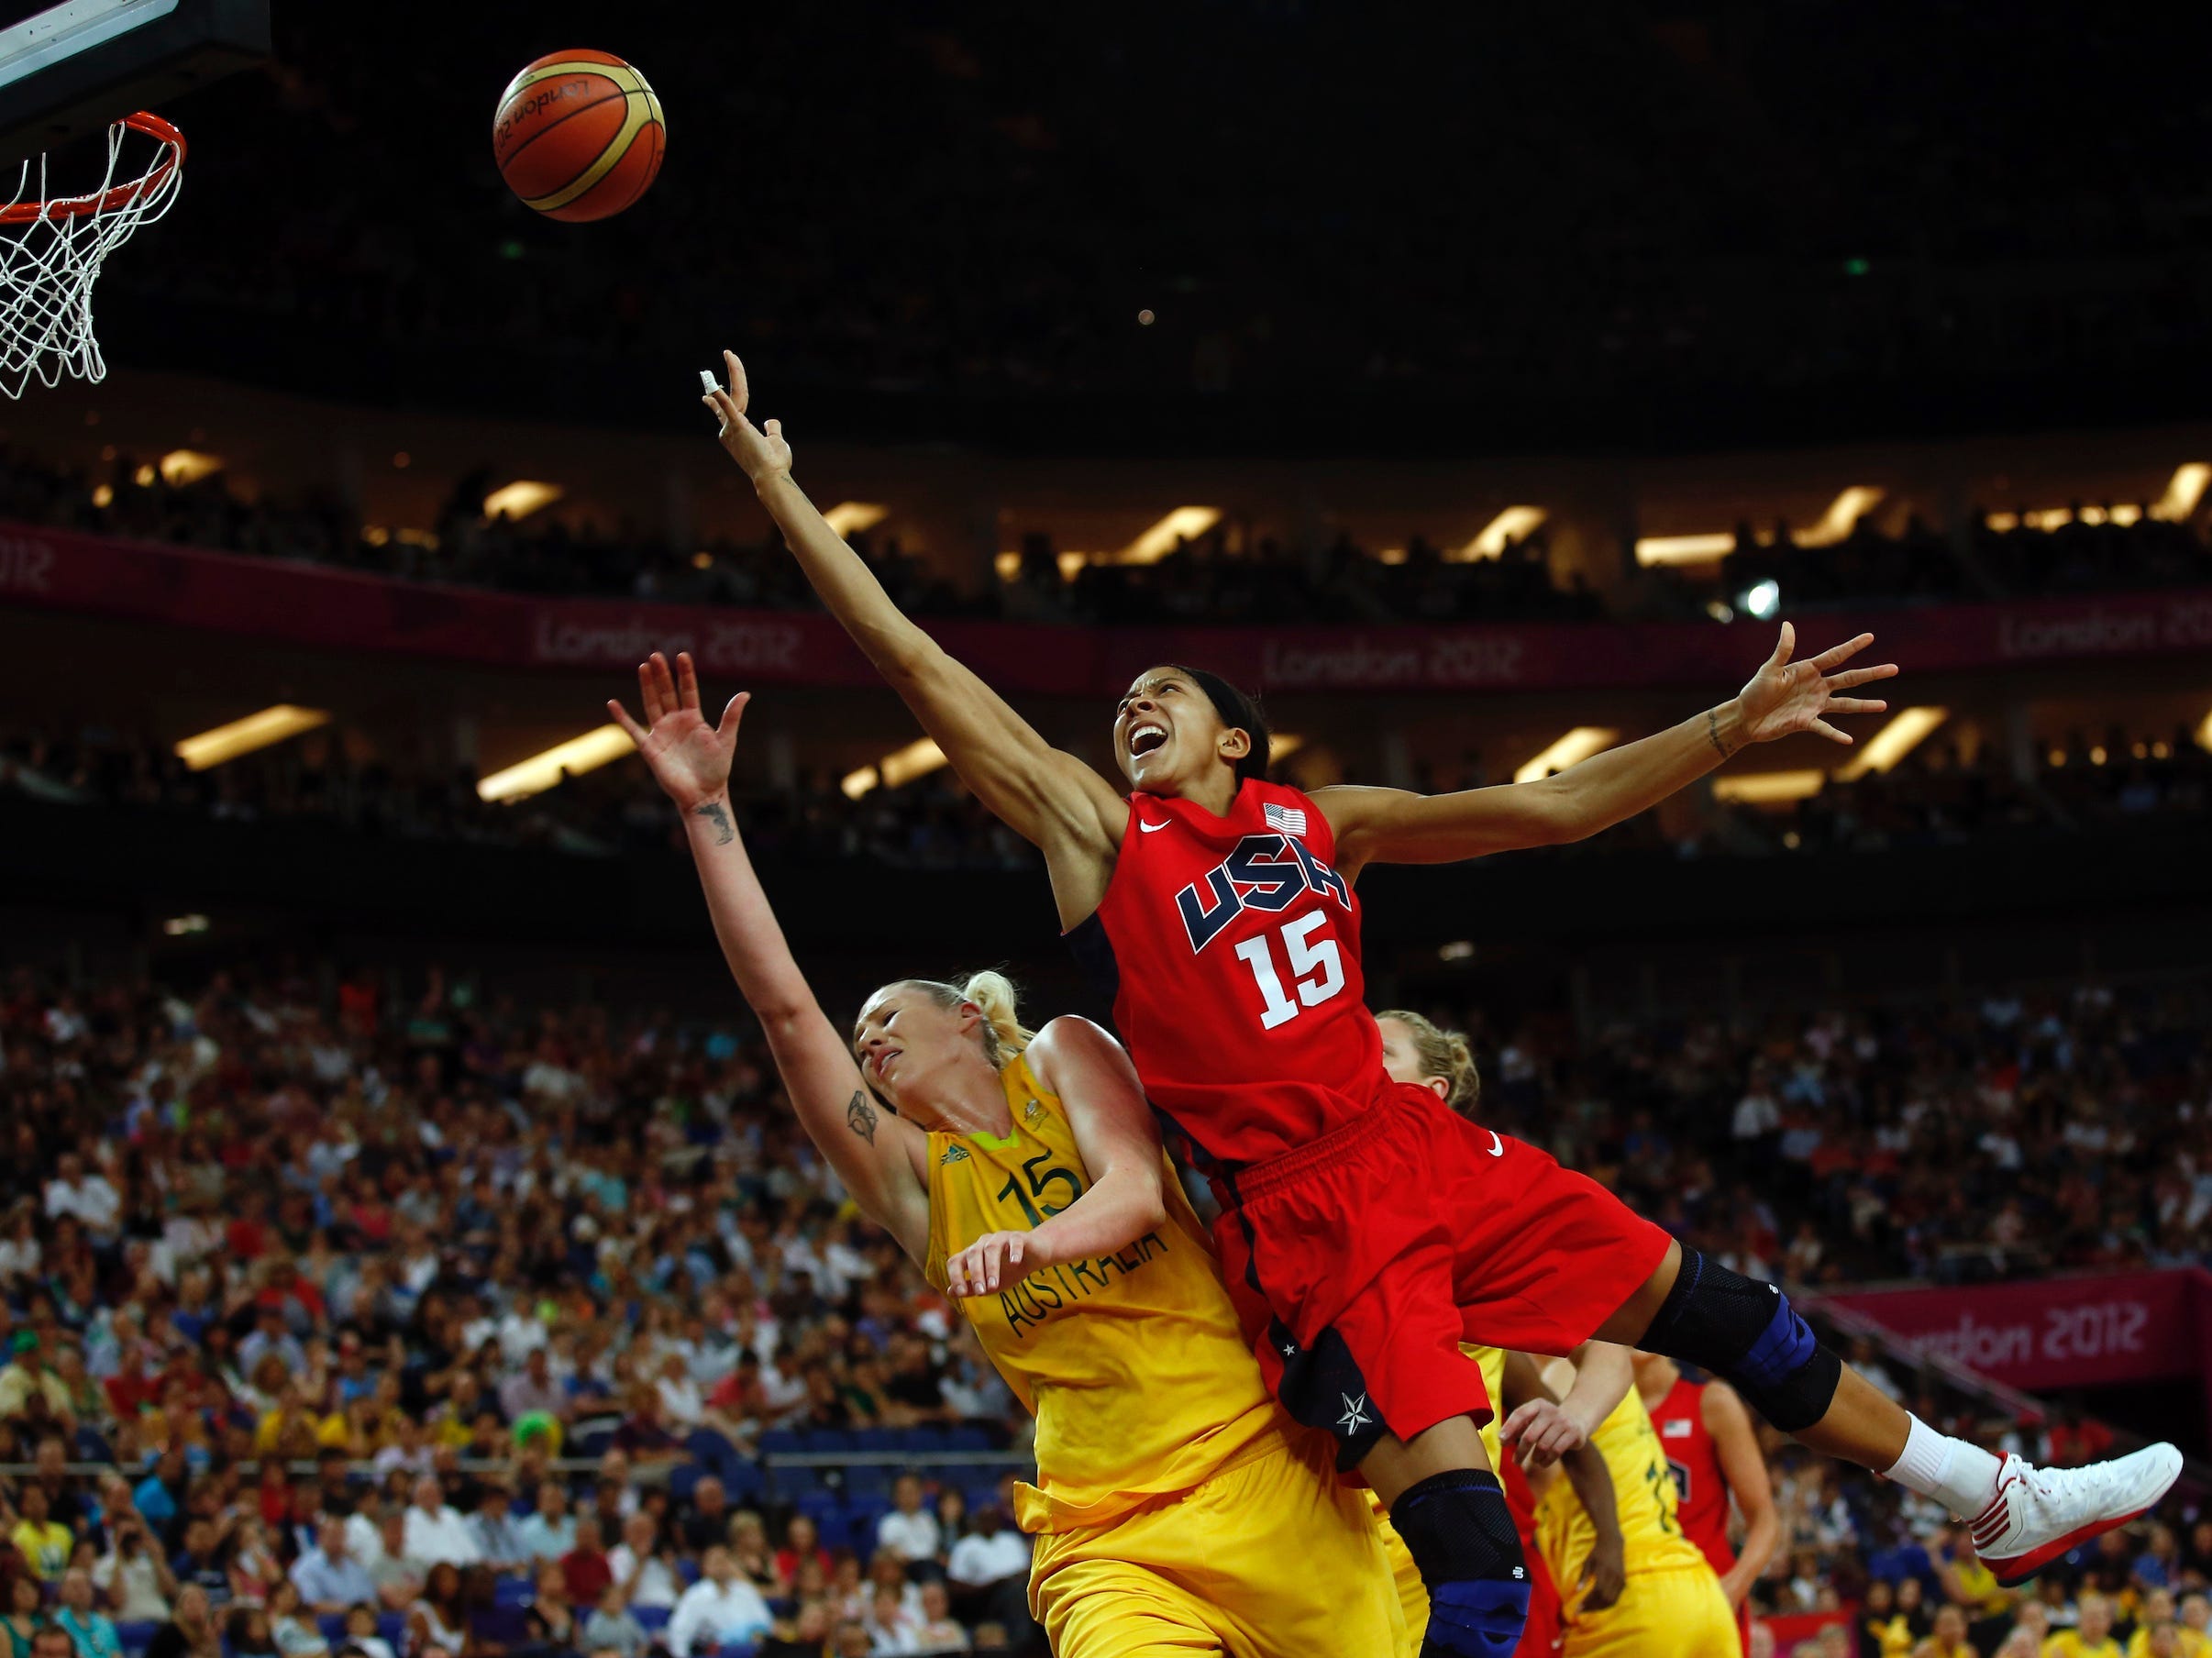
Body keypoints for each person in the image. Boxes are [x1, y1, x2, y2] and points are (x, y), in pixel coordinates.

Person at [700, 351, 2185, 1646]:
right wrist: (782, 495)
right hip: (1304, 1214)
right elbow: (914, 659)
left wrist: (1725, 722)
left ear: (1237, 733)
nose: (1130, 706)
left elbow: (1545, 809)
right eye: (1118, 699)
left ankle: (1991, 1496)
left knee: (1728, 1310)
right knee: (1473, 1564)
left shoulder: (1321, 820)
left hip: (1417, 1152)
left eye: (1164, 692)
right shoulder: (1099, 839)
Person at [611, 656, 1408, 1657]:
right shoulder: (914, 1179)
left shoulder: (1063, 1051)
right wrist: (706, 810)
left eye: (886, 1014)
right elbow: (783, 1010)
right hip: (1105, 1527)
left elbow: (1130, 1192)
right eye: (862, 1037)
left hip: (1259, 1465)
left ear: (966, 1023)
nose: (867, 1040)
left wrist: (1032, 1244)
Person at [1632, 1348, 1782, 1652]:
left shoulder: (1711, 1401)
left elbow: (1765, 1519)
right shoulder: (1597, 1415)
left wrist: (1735, 1587)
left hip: (1706, 1594)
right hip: (1632, 1604)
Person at [665, 1549, 771, 1658]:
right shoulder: (695, 1596)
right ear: (705, 1567)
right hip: (717, 1652)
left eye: (725, 1561)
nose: (722, 1567)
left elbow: (766, 1622)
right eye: (716, 1562)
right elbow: (679, 1632)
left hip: (752, 1650)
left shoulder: (746, 1590)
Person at [52, 1570, 120, 1658]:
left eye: (86, 1585)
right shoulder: (57, 1624)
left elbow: (116, 1654)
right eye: (75, 1586)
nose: (82, 1591)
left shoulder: (104, 1624)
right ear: (62, 1592)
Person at [144, 1585, 221, 1658]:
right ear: (180, 1606)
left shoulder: (209, 1631)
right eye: (190, 1602)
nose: (195, 1606)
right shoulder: (170, 1632)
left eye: (200, 1602)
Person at [4, 1577, 45, 1658]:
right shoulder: (3, 1624)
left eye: (33, 1589)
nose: (29, 1595)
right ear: (10, 1593)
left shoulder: (45, 1621)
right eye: (23, 1590)